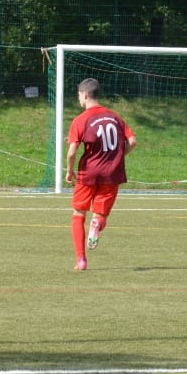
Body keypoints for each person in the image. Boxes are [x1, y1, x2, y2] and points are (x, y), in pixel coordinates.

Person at [64, 78, 137, 271]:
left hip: (88, 173)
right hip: (112, 173)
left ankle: (81, 260)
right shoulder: (114, 117)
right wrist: (118, 155)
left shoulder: (80, 120)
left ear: (85, 95)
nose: (79, 98)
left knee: (79, 213)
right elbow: (133, 140)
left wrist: (70, 171)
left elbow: (72, 151)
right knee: (100, 214)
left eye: (79, 95)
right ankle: (97, 223)